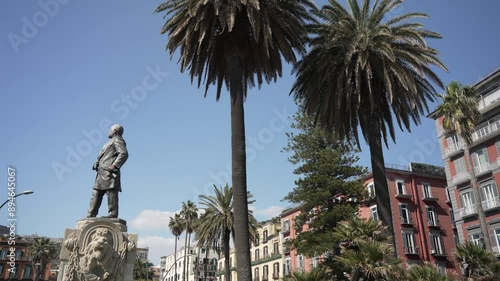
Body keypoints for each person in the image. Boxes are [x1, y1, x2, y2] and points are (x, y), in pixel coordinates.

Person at [87, 124, 129, 218]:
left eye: (110, 130)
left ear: (115, 131)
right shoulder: (108, 142)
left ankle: (112, 214)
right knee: (96, 193)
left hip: (110, 172)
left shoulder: (118, 140)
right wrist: (97, 163)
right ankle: (90, 214)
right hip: (101, 172)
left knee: (111, 193)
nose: (108, 131)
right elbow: (105, 156)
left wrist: (114, 166)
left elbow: (123, 153)